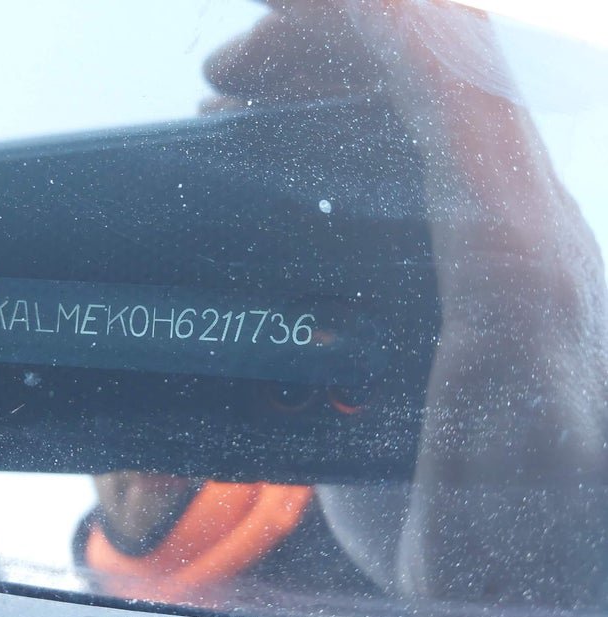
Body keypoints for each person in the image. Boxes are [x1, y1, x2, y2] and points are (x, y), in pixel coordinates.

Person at [0, 0, 606, 610]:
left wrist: (514, 580)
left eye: (163, 270)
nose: (102, 328)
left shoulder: (373, 532)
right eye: (87, 278)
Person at [74, 0, 608, 609]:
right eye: (121, 374)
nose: (157, 398)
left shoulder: (369, 531)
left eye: (190, 349)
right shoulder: (5, 577)